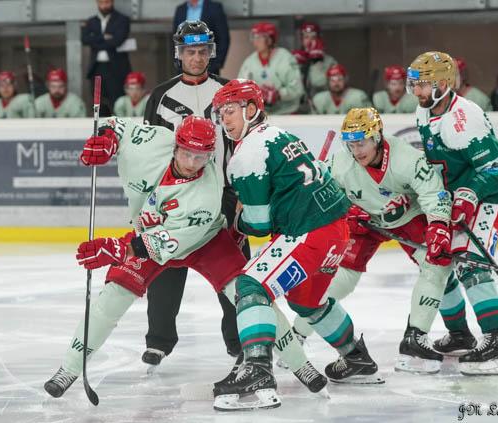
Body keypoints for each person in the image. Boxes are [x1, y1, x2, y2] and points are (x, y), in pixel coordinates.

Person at [43, 115, 327, 400]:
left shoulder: (207, 192)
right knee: (113, 296)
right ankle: (68, 368)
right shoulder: (151, 141)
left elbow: (171, 242)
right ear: (175, 145)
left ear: (210, 156)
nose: (192, 163)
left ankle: (301, 364)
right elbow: (118, 125)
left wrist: (120, 249)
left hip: (206, 241)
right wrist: (106, 139)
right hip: (149, 234)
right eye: (186, 153)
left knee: (251, 297)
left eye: (201, 157)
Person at [210, 79, 381, 411]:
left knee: (250, 286)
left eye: (229, 111)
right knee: (307, 301)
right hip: (337, 231)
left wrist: (239, 222)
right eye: (220, 113)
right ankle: (356, 358)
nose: (224, 120)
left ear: (251, 109)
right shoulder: (280, 134)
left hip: (308, 233)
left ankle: (257, 371)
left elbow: (259, 225)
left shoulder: (248, 153)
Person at [292, 107, 453, 374]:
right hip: (364, 222)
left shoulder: (407, 158)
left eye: (362, 143)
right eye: (351, 144)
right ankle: (296, 336)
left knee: (437, 264)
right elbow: (325, 196)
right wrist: (345, 210)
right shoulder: (340, 164)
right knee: (341, 277)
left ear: (377, 137)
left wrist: (438, 226)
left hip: (407, 217)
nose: (356, 151)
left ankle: (415, 338)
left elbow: (432, 192)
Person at [407, 51, 498, 376]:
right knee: (439, 262)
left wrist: (468, 195)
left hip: (488, 197)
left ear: (442, 84)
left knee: (471, 265)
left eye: (423, 84)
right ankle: (459, 334)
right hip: (454, 199)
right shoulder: (423, 111)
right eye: (415, 84)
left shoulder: (463, 117)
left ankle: (497, 345)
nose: (416, 91)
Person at [142, 20, 241, 369]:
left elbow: (246, 143)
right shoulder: (161, 96)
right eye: (190, 52)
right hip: (177, 193)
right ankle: (159, 341)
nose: (196, 58)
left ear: (210, 53)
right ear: (179, 54)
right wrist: (150, 198)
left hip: (226, 194)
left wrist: (245, 194)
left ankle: (239, 339)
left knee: (233, 269)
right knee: (166, 262)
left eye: (202, 51)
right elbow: (150, 151)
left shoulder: (231, 92)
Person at [237, 22, 304, 115]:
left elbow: (297, 89)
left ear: (270, 39)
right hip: (261, 115)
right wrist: (253, 96)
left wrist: (278, 95)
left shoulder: (285, 58)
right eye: (254, 37)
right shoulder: (249, 62)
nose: (255, 41)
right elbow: (240, 89)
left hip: (287, 113)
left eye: (259, 37)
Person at [82, 0, 132, 112]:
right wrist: (104, 37)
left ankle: (117, 123)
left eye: (107, 2)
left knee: (117, 100)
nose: (104, 6)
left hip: (116, 68)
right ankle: (100, 123)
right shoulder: (91, 21)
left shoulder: (122, 19)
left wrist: (95, 39)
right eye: (101, 3)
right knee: (98, 101)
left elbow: (118, 40)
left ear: (112, 2)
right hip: (97, 68)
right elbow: (85, 39)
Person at [173, 0, 230, 75]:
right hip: (184, 68)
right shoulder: (180, 10)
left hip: (210, 68)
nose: (197, 59)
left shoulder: (215, 8)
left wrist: (216, 64)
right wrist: (179, 63)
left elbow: (223, 38)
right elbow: (175, 40)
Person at [291, 22, 337, 97]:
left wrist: (316, 61)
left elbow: (319, 83)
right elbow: (292, 85)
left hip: (321, 101)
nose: (309, 41)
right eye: (306, 37)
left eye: (313, 37)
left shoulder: (330, 61)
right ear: (302, 40)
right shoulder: (296, 57)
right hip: (300, 102)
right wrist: (298, 65)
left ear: (319, 39)